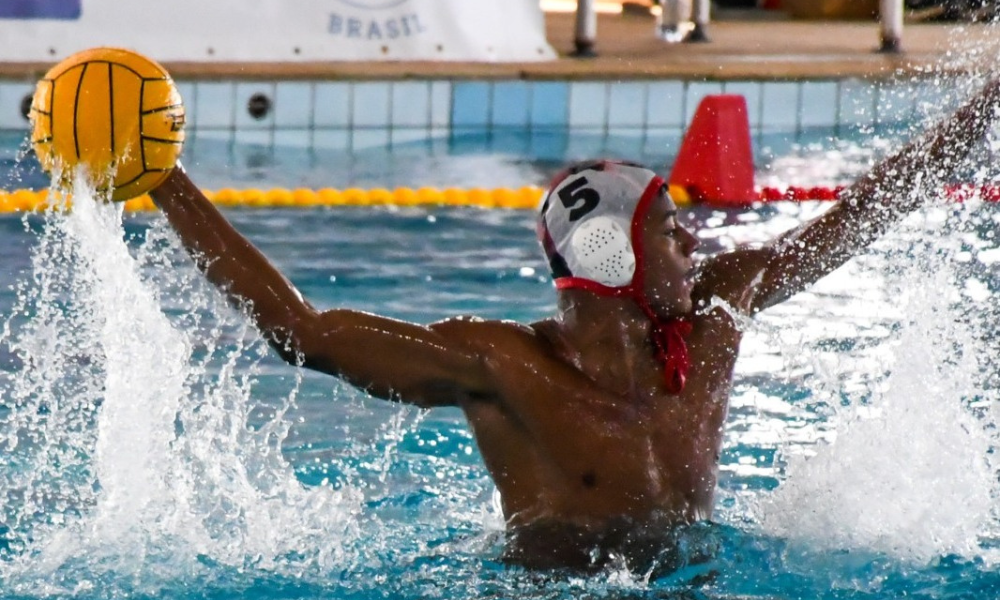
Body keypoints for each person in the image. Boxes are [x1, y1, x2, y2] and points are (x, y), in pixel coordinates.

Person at [149, 79, 1000, 573]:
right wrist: (165, 184)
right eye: (672, 229)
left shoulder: (715, 317)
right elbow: (299, 331)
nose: (696, 239)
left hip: (696, 575)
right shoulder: (499, 365)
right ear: (610, 250)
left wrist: (984, 110)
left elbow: (859, 217)